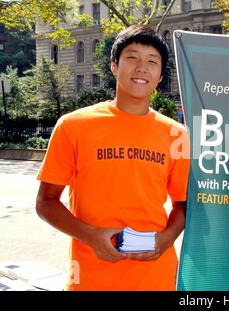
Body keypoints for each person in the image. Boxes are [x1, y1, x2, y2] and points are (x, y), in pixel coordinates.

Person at [35, 25, 190, 290]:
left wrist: (166, 239)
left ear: (161, 75)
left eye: (152, 62)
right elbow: (46, 202)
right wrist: (91, 236)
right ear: (114, 66)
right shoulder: (73, 125)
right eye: (132, 57)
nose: (142, 67)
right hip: (89, 277)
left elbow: (184, 205)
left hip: (156, 277)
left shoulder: (177, 134)